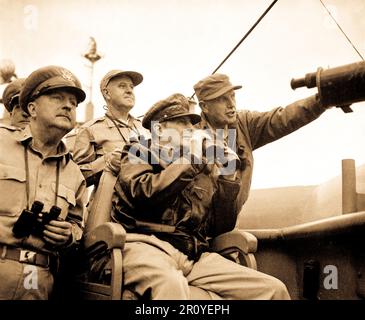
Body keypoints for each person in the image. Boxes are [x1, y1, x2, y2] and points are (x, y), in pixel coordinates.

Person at [109, 93, 290, 300]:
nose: (192, 130)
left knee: (273, 289)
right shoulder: (138, 150)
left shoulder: (197, 166)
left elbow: (219, 226)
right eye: (183, 123)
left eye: (193, 124)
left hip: (192, 256)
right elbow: (142, 193)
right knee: (171, 286)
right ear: (159, 129)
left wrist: (228, 179)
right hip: (145, 246)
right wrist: (191, 159)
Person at [0, 65, 87, 300]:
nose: (68, 105)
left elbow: (77, 225)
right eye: (57, 97)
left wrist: (69, 234)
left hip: (37, 281)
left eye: (73, 102)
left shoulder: (74, 173)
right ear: (32, 108)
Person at [193, 73, 331, 214]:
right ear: (205, 107)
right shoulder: (190, 136)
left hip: (227, 222)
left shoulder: (243, 124)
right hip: (194, 228)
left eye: (232, 96)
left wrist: (322, 101)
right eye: (222, 99)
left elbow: (283, 118)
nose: (231, 104)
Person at [73, 69, 150, 188]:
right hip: (109, 203)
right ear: (107, 93)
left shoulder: (146, 129)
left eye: (131, 87)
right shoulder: (90, 130)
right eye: (122, 86)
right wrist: (106, 161)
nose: (129, 91)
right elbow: (75, 179)